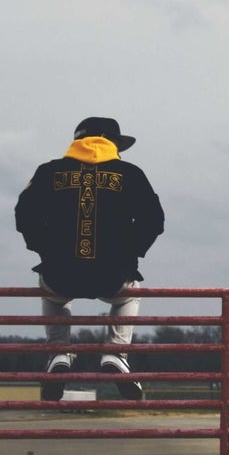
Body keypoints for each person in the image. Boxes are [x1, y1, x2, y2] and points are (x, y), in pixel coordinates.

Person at [15, 117, 165, 401]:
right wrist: (129, 252)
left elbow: (24, 214)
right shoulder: (130, 173)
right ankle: (116, 354)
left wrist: (44, 249)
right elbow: (154, 220)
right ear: (111, 143)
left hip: (60, 272)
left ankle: (58, 353)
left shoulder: (49, 172)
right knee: (129, 296)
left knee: (53, 297)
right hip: (113, 274)